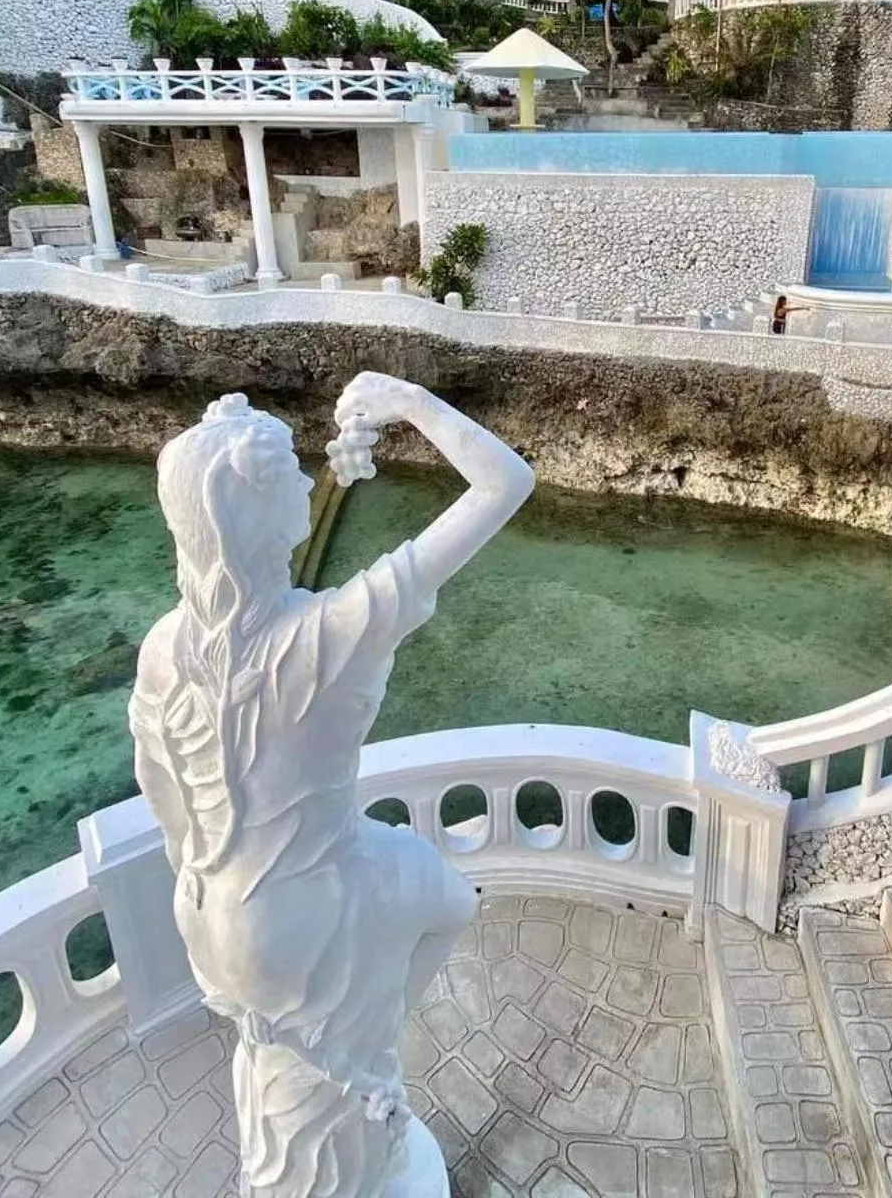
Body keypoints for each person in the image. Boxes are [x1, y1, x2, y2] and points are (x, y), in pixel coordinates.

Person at [129, 376, 534, 1197]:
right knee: (328, 1096)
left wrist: (207, 875)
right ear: (257, 514)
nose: (314, 486)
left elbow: (163, 794)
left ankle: (361, 1080)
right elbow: (506, 482)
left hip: (207, 907)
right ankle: (364, 1097)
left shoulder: (164, 646)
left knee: (288, 1052)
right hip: (309, 904)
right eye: (291, 480)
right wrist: (411, 402)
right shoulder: (328, 635)